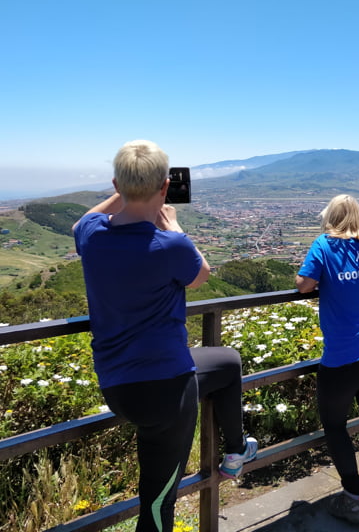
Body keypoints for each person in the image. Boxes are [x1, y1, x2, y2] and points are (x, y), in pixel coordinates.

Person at [72, 140, 257, 532]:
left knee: (226, 361)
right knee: (158, 501)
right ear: (165, 185)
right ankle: (236, 452)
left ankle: (237, 451)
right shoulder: (170, 243)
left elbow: (83, 220)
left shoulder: (91, 235)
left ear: (115, 184)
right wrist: (172, 221)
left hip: (117, 385)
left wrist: (128, 192)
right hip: (166, 391)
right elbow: (201, 274)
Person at [295, 194, 359, 523]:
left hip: (344, 357)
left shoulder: (324, 246)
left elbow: (304, 285)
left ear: (330, 217)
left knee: (335, 425)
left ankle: (353, 497)